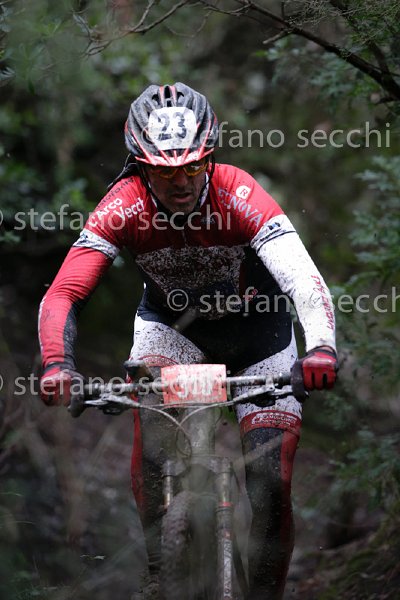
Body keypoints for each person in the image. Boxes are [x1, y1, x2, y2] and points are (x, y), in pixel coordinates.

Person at [38, 82, 338, 599]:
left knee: (270, 482)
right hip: (173, 335)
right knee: (156, 454)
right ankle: (163, 570)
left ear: (210, 157)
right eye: (163, 171)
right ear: (139, 166)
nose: (179, 182)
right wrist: (55, 363)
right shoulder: (123, 205)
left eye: (192, 167)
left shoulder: (239, 193)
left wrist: (321, 349)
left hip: (260, 340)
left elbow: (302, 281)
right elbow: (65, 291)